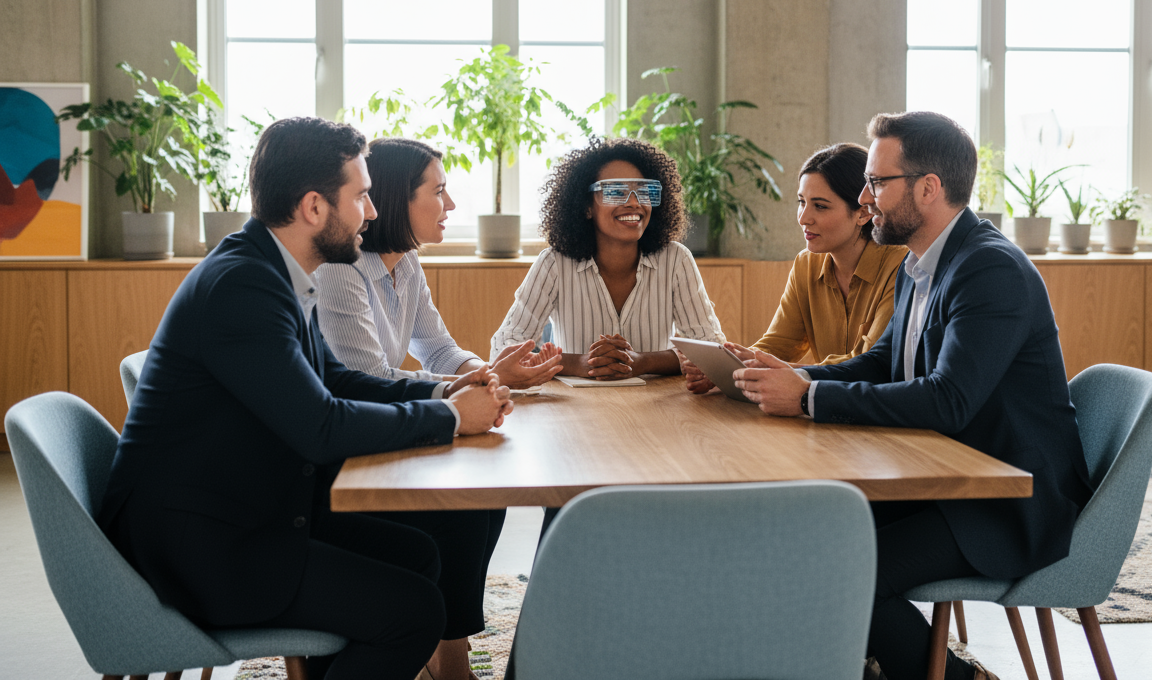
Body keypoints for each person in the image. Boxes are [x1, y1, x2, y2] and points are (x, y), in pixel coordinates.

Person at [97, 117, 513, 680]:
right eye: (362, 196)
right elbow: (320, 426)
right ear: (314, 207)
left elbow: (336, 381)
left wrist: (450, 397)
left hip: (240, 511)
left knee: (419, 556)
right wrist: (445, 418)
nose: (371, 211)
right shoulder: (241, 287)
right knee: (413, 611)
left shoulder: (275, 271)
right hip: (201, 548)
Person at [724, 111, 1093, 680]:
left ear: (928, 188)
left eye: (876, 183)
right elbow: (882, 363)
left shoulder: (987, 269)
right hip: (949, 476)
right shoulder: (921, 265)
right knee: (801, 530)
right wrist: (794, 378)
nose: (866, 198)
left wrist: (806, 401)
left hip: (1005, 499)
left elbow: (949, 401)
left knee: (844, 571)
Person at [316, 136, 560, 680]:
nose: (450, 206)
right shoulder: (340, 271)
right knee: (468, 503)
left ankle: (449, 653)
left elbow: (440, 349)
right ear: (400, 198)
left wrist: (485, 375)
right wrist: (462, 390)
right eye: (440, 192)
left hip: (386, 428)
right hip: (353, 458)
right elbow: (369, 379)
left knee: (483, 494)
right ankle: (448, 658)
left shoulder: (406, 266)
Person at [681, 143, 907, 393]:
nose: (803, 218)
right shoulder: (806, 264)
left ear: (863, 213)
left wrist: (774, 371)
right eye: (802, 202)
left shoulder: (902, 266)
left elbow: (870, 364)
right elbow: (779, 343)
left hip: (878, 412)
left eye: (820, 206)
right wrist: (732, 366)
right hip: (825, 410)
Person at [490, 137, 724, 378]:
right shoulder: (555, 263)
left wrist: (643, 362)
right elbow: (504, 348)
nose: (634, 203)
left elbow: (711, 349)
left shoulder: (676, 259)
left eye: (644, 192)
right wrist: (580, 363)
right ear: (586, 206)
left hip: (657, 409)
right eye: (615, 192)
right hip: (574, 410)